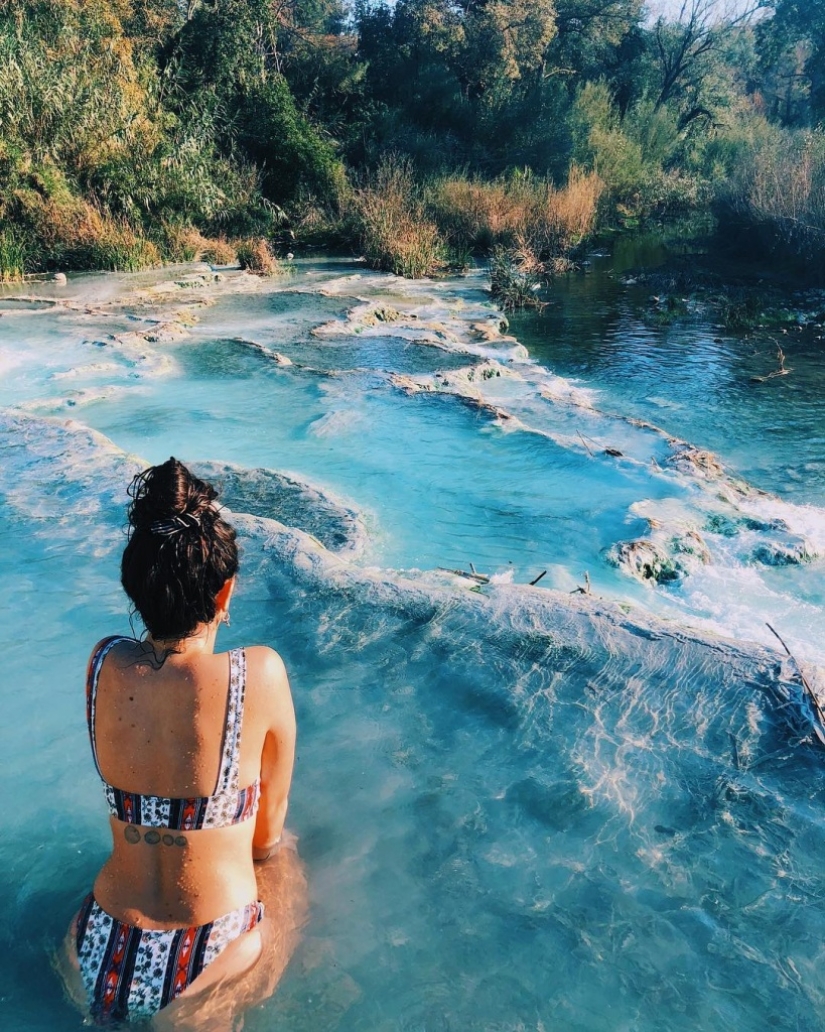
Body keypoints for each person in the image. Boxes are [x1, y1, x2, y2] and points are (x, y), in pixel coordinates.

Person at [61, 457, 301, 1027]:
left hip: (95, 943)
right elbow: (265, 836)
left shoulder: (103, 663)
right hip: (210, 955)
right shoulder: (257, 674)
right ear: (224, 594)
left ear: (134, 587)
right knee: (288, 865)